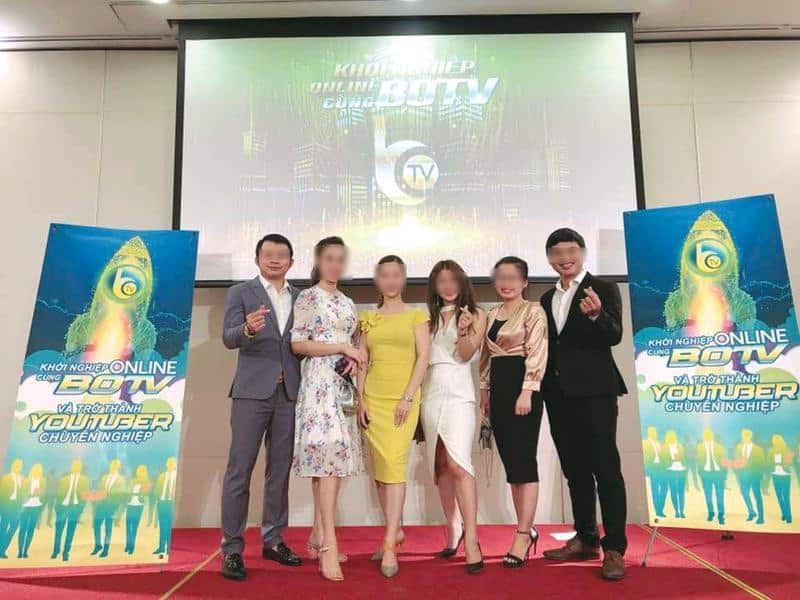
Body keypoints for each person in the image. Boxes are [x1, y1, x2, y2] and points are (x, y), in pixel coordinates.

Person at [539, 228, 628, 581]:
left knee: (605, 469)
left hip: (596, 393)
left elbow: (614, 335)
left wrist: (596, 316)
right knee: (574, 470)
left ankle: (615, 548)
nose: (565, 258)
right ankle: (586, 538)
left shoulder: (603, 288)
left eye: (571, 250)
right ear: (549, 258)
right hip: (557, 395)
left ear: (583, 252)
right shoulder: (546, 298)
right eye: (558, 252)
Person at [219, 233, 302, 581]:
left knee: (279, 471)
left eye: (282, 255)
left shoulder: (302, 297)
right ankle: (232, 549)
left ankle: (274, 539)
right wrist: (248, 329)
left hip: (289, 394)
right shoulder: (240, 293)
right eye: (268, 254)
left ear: (291, 262)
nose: (275, 259)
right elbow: (228, 337)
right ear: (257, 259)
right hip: (251, 394)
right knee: (239, 471)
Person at [291, 236, 365, 582]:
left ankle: (318, 534)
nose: (335, 265)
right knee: (327, 463)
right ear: (318, 262)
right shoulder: (308, 297)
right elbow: (298, 344)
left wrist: (352, 357)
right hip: (318, 384)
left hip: (341, 385)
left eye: (340, 259)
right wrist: (340, 347)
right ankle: (328, 547)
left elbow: (352, 344)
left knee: (331, 463)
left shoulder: (348, 302)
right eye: (329, 258)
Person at [356, 255, 431, 577]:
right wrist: (360, 399)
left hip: (403, 400)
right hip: (373, 398)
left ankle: (389, 544)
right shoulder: (368, 317)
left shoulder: (417, 315)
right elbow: (362, 359)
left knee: (395, 463)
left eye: (395, 275)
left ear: (404, 278)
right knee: (381, 469)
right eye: (384, 275)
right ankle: (394, 529)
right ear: (377, 279)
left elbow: (423, 358)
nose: (390, 280)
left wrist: (407, 397)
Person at [478, 256, 547, 569]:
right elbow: (485, 356)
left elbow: (537, 353)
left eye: (512, 277)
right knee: (512, 464)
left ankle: (522, 533)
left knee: (524, 460)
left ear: (524, 282)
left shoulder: (533, 311)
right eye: (501, 277)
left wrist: (527, 391)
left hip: (523, 388)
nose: (506, 283)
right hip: (499, 388)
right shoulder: (491, 313)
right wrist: (485, 391)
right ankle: (525, 527)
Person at [421, 259, 487, 573]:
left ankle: (472, 538)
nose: (448, 287)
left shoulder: (477, 314)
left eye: (453, 280)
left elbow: (465, 354)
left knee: (460, 463)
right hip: (430, 395)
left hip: (460, 395)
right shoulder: (427, 321)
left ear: (462, 283)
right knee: (440, 466)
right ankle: (454, 528)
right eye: (441, 281)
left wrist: (462, 330)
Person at [52, 458, 89, 562]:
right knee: (58, 532)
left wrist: (80, 509)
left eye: (78, 466)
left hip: (75, 508)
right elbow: (59, 493)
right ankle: (56, 551)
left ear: (80, 468)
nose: (76, 468)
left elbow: (85, 495)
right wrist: (57, 507)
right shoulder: (64, 479)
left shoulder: (84, 480)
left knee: (70, 532)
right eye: (74, 466)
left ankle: (66, 553)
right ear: (71, 467)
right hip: (62, 508)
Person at [91, 459, 126, 558]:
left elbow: (120, 494)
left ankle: (106, 549)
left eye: (115, 465)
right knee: (96, 525)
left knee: (108, 528)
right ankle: (98, 546)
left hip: (111, 506)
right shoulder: (104, 477)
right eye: (112, 465)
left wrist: (116, 508)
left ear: (118, 467)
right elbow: (100, 490)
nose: (113, 467)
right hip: (101, 505)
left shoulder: (121, 479)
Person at [733, 429, 765, 524]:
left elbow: (762, 463)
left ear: (750, 436)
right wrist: (737, 471)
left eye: (747, 435)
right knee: (744, 493)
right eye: (743, 435)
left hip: (754, 476)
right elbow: (737, 460)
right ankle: (751, 512)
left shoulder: (758, 449)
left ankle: (761, 517)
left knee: (757, 496)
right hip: (743, 475)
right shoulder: (739, 447)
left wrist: (759, 475)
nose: (744, 437)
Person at [697, 428, 727, 525]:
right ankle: (711, 513)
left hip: (718, 474)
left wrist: (724, 475)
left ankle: (721, 516)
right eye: (706, 436)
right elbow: (699, 461)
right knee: (708, 495)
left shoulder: (719, 447)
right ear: (703, 437)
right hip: (706, 474)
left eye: (709, 435)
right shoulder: (700, 447)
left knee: (720, 496)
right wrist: (701, 473)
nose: (707, 437)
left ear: (712, 436)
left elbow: (724, 461)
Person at [16, 463, 46, 559]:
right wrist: (30, 494)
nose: (37, 472)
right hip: (25, 507)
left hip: (36, 507)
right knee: (22, 529)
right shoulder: (26, 480)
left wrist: (40, 493)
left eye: (39, 470)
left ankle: (25, 551)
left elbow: (44, 494)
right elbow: (21, 493)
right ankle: (20, 551)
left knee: (30, 530)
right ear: (32, 470)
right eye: (36, 470)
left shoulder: (42, 481)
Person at [124, 465, 151, 554]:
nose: (139, 472)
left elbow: (146, 493)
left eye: (141, 471)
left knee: (134, 527)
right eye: (138, 470)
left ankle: (132, 547)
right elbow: (128, 491)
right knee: (128, 526)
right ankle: (127, 545)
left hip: (138, 506)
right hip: (130, 505)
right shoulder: (132, 481)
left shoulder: (147, 482)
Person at [0, 458, 24, 559]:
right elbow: (1, 493)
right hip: (6, 506)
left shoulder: (22, 478)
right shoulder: (6, 478)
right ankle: (2, 552)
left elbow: (23, 492)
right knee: (3, 528)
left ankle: (2, 549)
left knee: (13, 528)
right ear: (13, 466)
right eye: (17, 465)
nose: (18, 467)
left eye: (20, 466)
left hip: (16, 507)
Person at [153, 457, 177, 556]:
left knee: (168, 526)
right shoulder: (162, 476)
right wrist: (158, 500)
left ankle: (168, 548)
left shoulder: (176, 476)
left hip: (171, 503)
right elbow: (157, 489)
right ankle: (161, 547)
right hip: (162, 502)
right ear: (167, 464)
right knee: (162, 526)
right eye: (169, 463)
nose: (171, 465)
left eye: (172, 463)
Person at [767, 434, 793, 524]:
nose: (774, 442)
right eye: (773, 440)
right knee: (779, 496)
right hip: (775, 475)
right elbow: (768, 462)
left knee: (786, 496)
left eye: (776, 440)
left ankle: (789, 515)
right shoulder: (771, 451)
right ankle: (784, 513)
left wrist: (780, 464)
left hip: (785, 475)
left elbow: (789, 462)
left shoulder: (787, 450)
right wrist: (774, 465)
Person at [642, 426, 667, 518]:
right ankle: (658, 510)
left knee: (664, 488)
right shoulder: (645, 443)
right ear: (649, 433)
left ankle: (660, 507)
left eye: (655, 432)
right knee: (655, 490)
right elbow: (646, 457)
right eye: (653, 432)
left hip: (661, 468)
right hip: (653, 468)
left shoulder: (659, 443)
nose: (655, 434)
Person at [661, 430, 686, 519]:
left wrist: (680, 459)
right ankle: (676, 512)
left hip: (681, 470)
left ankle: (682, 512)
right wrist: (672, 460)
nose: (672, 438)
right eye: (670, 437)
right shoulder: (664, 447)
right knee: (674, 492)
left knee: (681, 492)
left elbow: (684, 457)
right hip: (670, 471)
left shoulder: (680, 446)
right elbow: (663, 459)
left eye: (673, 437)